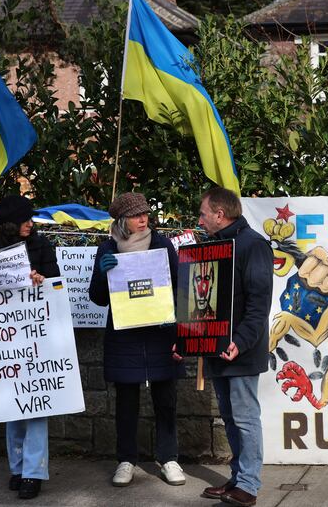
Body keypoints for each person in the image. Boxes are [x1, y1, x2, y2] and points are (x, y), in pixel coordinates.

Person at [87, 192, 186, 488]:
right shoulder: (107, 248)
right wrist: (103, 275)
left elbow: (180, 287)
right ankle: (126, 460)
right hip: (124, 338)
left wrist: (179, 332)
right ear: (121, 220)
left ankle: (169, 458)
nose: (143, 219)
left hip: (160, 335)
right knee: (126, 403)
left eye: (145, 214)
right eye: (135, 215)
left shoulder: (162, 245)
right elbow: (97, 298)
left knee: (166, 399)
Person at [0, 195, 59, 500]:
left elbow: (57, 285)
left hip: (36, 333)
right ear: (9, 223)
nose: (30, 224)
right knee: (13, 405)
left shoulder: (42, 245)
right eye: (25, 220)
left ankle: (34, 472)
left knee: (37, 406)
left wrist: (42, 280)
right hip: (6, 338)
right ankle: (18, 468)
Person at [196, 187, 273, 507]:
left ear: (219, 214)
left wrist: (239, 342)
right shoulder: (215, 245)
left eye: (203, 214)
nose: (199, 220)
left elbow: (259, 304)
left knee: (245, 418)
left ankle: (249, 485)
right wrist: (188, 338)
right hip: (217, 348)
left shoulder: (253, 245)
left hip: (241, 350)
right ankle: (238, 477)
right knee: (229, 418)